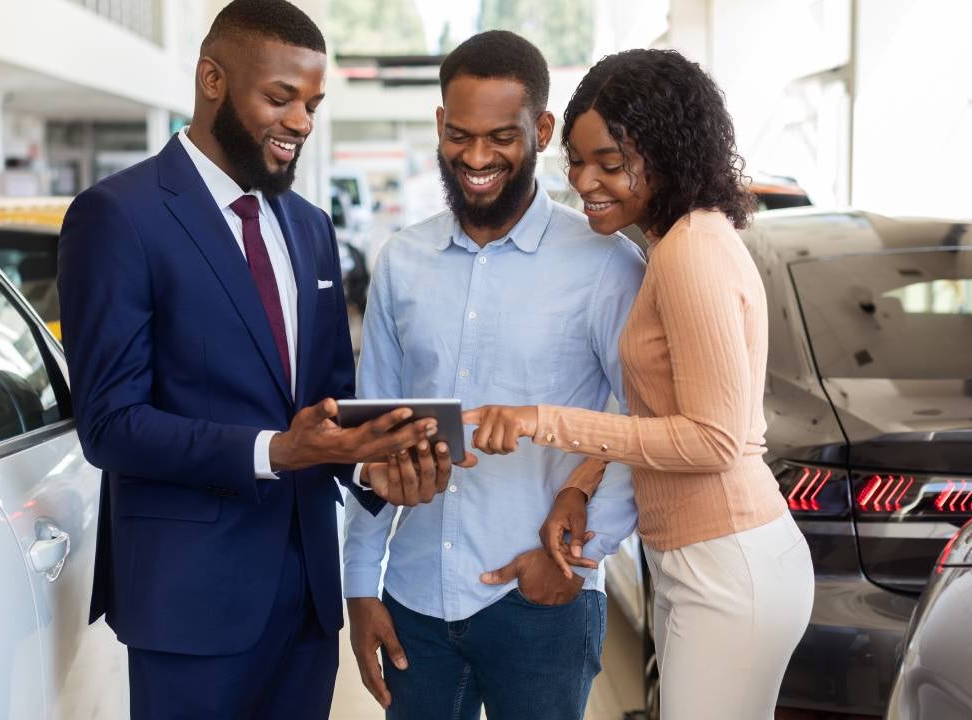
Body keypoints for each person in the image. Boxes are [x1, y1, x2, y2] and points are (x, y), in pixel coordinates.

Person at [56, 2, 449, 717]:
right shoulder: (119, 214)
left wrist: (371, 463)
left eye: (312, 103)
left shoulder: (309, 227)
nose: (300, 120)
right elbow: (110, 425)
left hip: (304, 603)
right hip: (189, 605)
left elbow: (327, 403)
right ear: (212, 78)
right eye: (280, 97)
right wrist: (276, 451)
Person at [463, 48, 816, 719]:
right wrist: (580, 482)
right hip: (711, 555)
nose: (584, 180)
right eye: (576, 158)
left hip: (727, 561)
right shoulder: (681, 242)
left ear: (668, 154)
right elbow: (655, 410)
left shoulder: (688, 252)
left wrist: (541, 418)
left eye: (610, 163)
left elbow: (712, 440)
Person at [342, 31, 644, 720]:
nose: (476, 158)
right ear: (441, 127)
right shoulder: (403, 260)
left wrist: (582, 553)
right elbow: (374, 433)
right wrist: (362, 582)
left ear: (540, 130)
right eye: (461, 135)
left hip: (540, 600)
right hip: (414, 598)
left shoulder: (606, 265)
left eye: (501, 137)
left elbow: (640, 429)